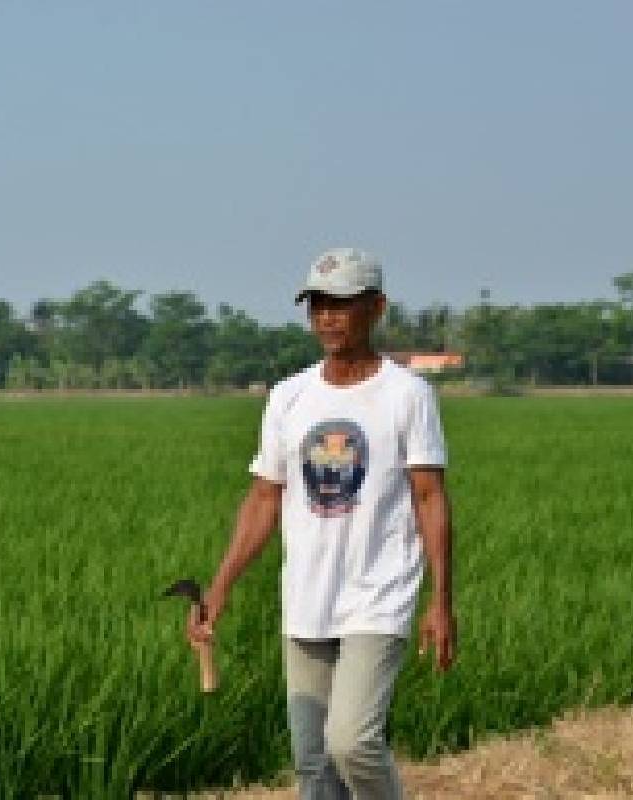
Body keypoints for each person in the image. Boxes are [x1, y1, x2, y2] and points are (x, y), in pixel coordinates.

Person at [188, 248, 456, 800]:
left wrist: (441, 601)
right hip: (307, 597)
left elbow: (429, 498)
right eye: (317, 305)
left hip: (377, 596)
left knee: (352, 742)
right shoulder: (290, 397)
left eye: (341, 304)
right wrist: (220, 586)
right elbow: (265, 496)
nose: (327, 317)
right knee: (313, 768)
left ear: (376, 307)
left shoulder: (408, 394)